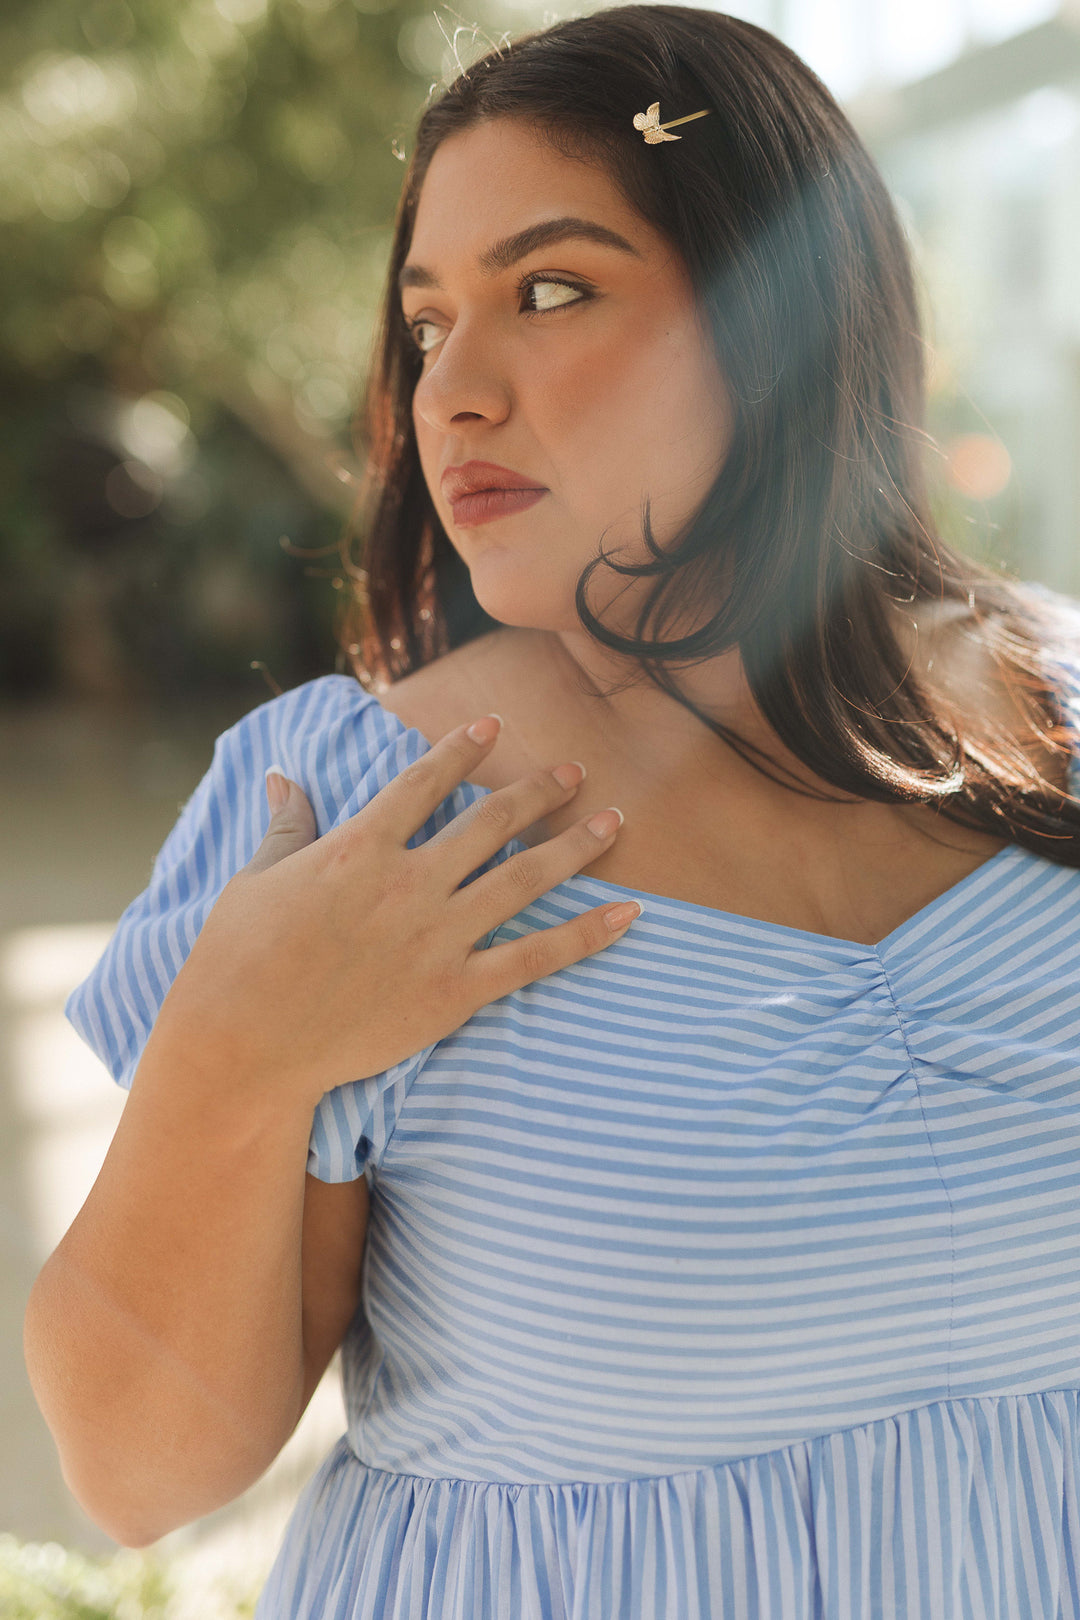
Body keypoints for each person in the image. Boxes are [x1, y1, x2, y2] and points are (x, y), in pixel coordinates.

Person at [24, 6, 1080, 1616]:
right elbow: (141, 1471)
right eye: (430, 322)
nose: (454, 389)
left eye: (551, 291)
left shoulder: (1059, 708)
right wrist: (236, 1047)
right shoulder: (355, 804)